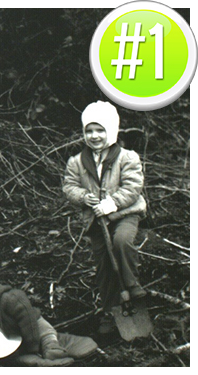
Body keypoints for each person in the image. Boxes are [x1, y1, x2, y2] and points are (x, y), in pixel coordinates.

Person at [62, 100, 147, 334]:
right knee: (103, 266)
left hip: (124, 214)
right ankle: (111, 310)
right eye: (89, 130)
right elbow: (69, 187)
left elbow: (132, 188)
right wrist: (83, 197)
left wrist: (111, 204)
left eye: (100, 130)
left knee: (121, 241)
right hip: (96, 221)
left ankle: (131, 284)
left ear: (111, 130)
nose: (94, 136)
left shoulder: (127, 158)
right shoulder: (77, 162)